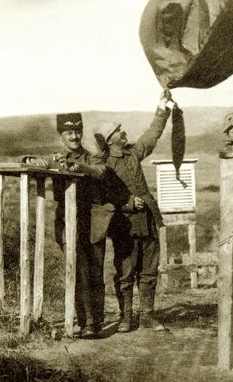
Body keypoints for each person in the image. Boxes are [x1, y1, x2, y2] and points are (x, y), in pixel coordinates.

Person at [22, 112, 106, 339]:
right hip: (67, 221)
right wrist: (30, 161)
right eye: (69, 132)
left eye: (77, 131)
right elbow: (37, 164)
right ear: (62, 136)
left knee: (95, 271)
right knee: (76, 269)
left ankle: (97, 321)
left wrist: (76, 165)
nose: (74, 136)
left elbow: (99, 172)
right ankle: (85, 321)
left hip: (93, 221)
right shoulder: (56, 159)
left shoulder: (91, 158)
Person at [94, 91, 172, 333]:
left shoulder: (132, 154)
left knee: (149, 270)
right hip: (124, 225)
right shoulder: (105, 165)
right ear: (110, 139)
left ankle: (147, 315)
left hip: (148, 220)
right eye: (119, 130)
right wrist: (128, 203)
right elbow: (106, 197)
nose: (124, 132)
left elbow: (151, 137)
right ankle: (126, 317)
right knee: (126, 271)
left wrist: (162, 109)